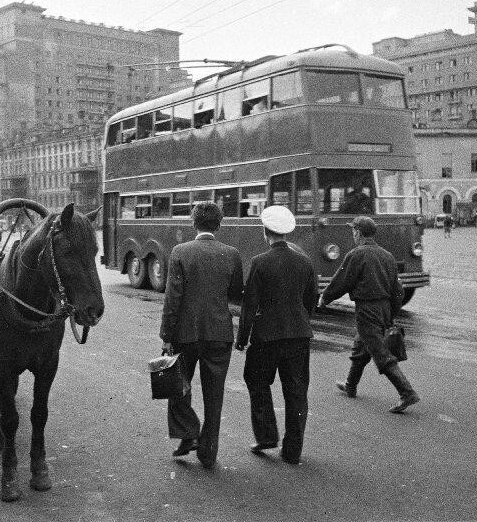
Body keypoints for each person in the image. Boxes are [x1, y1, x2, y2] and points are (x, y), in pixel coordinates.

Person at [159, 201, 243, 469]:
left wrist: (166, 335)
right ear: (219, 225)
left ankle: (188, 431)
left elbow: (173, 298)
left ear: (193, 224)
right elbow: (235, 293)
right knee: (214, 394)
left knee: (178, 387)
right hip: (219, 333)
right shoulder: (232, 254)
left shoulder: (180, 252)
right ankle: (208, 453)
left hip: (185, 333)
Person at [235, 206, 318, 465]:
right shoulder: (304, 262)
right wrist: (302, 321)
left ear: (265, 232)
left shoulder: (260, 262)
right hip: (298, 336)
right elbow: (311, 299)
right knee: (296, 391)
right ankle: (293, 451)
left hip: (266, 337)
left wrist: (242, 339)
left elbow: (249, 305)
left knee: (256, 381)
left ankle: (267, 435)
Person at [318, 216, 419, 413]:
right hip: (383, 307)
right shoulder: (387, 256)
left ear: (358, 232)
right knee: (361, 346)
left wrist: (325, 298)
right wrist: (391, 312)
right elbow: (397, 289)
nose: (352, 234)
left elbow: (342, 281)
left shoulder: (356, 254)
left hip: (366, 309)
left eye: (353, 231)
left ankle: (407, 393)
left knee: (380, 352)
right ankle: (350, 385)